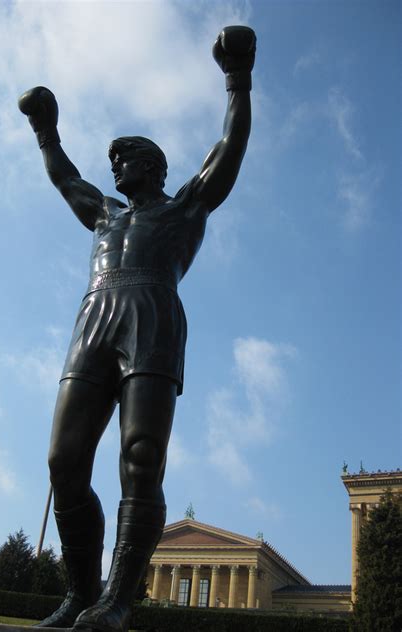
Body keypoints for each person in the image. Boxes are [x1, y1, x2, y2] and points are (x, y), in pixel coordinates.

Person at [18, 25, 256, 632]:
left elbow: (231, 145)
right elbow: (63, 176)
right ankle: (80, 592)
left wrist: (237, 75)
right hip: (95, 314)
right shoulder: (103, 215)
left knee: (140, 456)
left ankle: (117, 601)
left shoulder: (185, 208)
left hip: (152, 314)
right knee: (63, 460)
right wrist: (46, 130)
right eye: (112, 160)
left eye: (124, 158)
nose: (114, 165)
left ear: (152, 166)